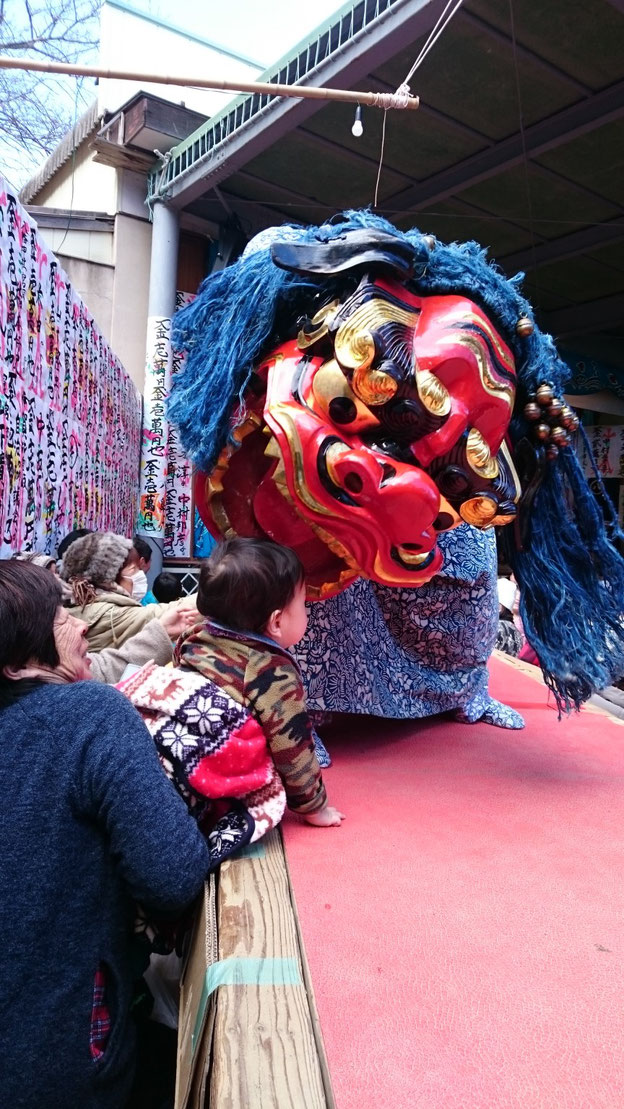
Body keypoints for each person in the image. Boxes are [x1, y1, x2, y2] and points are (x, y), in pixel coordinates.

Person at [0, 560, 213, 1109]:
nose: (81, 626)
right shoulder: (86, 715)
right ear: (18, 655)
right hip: (59, 1058)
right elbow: (172, 876)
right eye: (59, 617)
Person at [123, 538, 344, 832]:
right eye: (302, 605)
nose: (306, 612)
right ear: (276, 621)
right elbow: (292, 746)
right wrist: (315, 807)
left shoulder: (194, 634)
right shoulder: (271, 671)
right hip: (198, 774)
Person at [61, 531, 192, 652]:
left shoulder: (69, 607)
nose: (140, 575)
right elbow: (175, 610)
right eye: (134, 570)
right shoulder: (114, 615)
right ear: (109, 579)